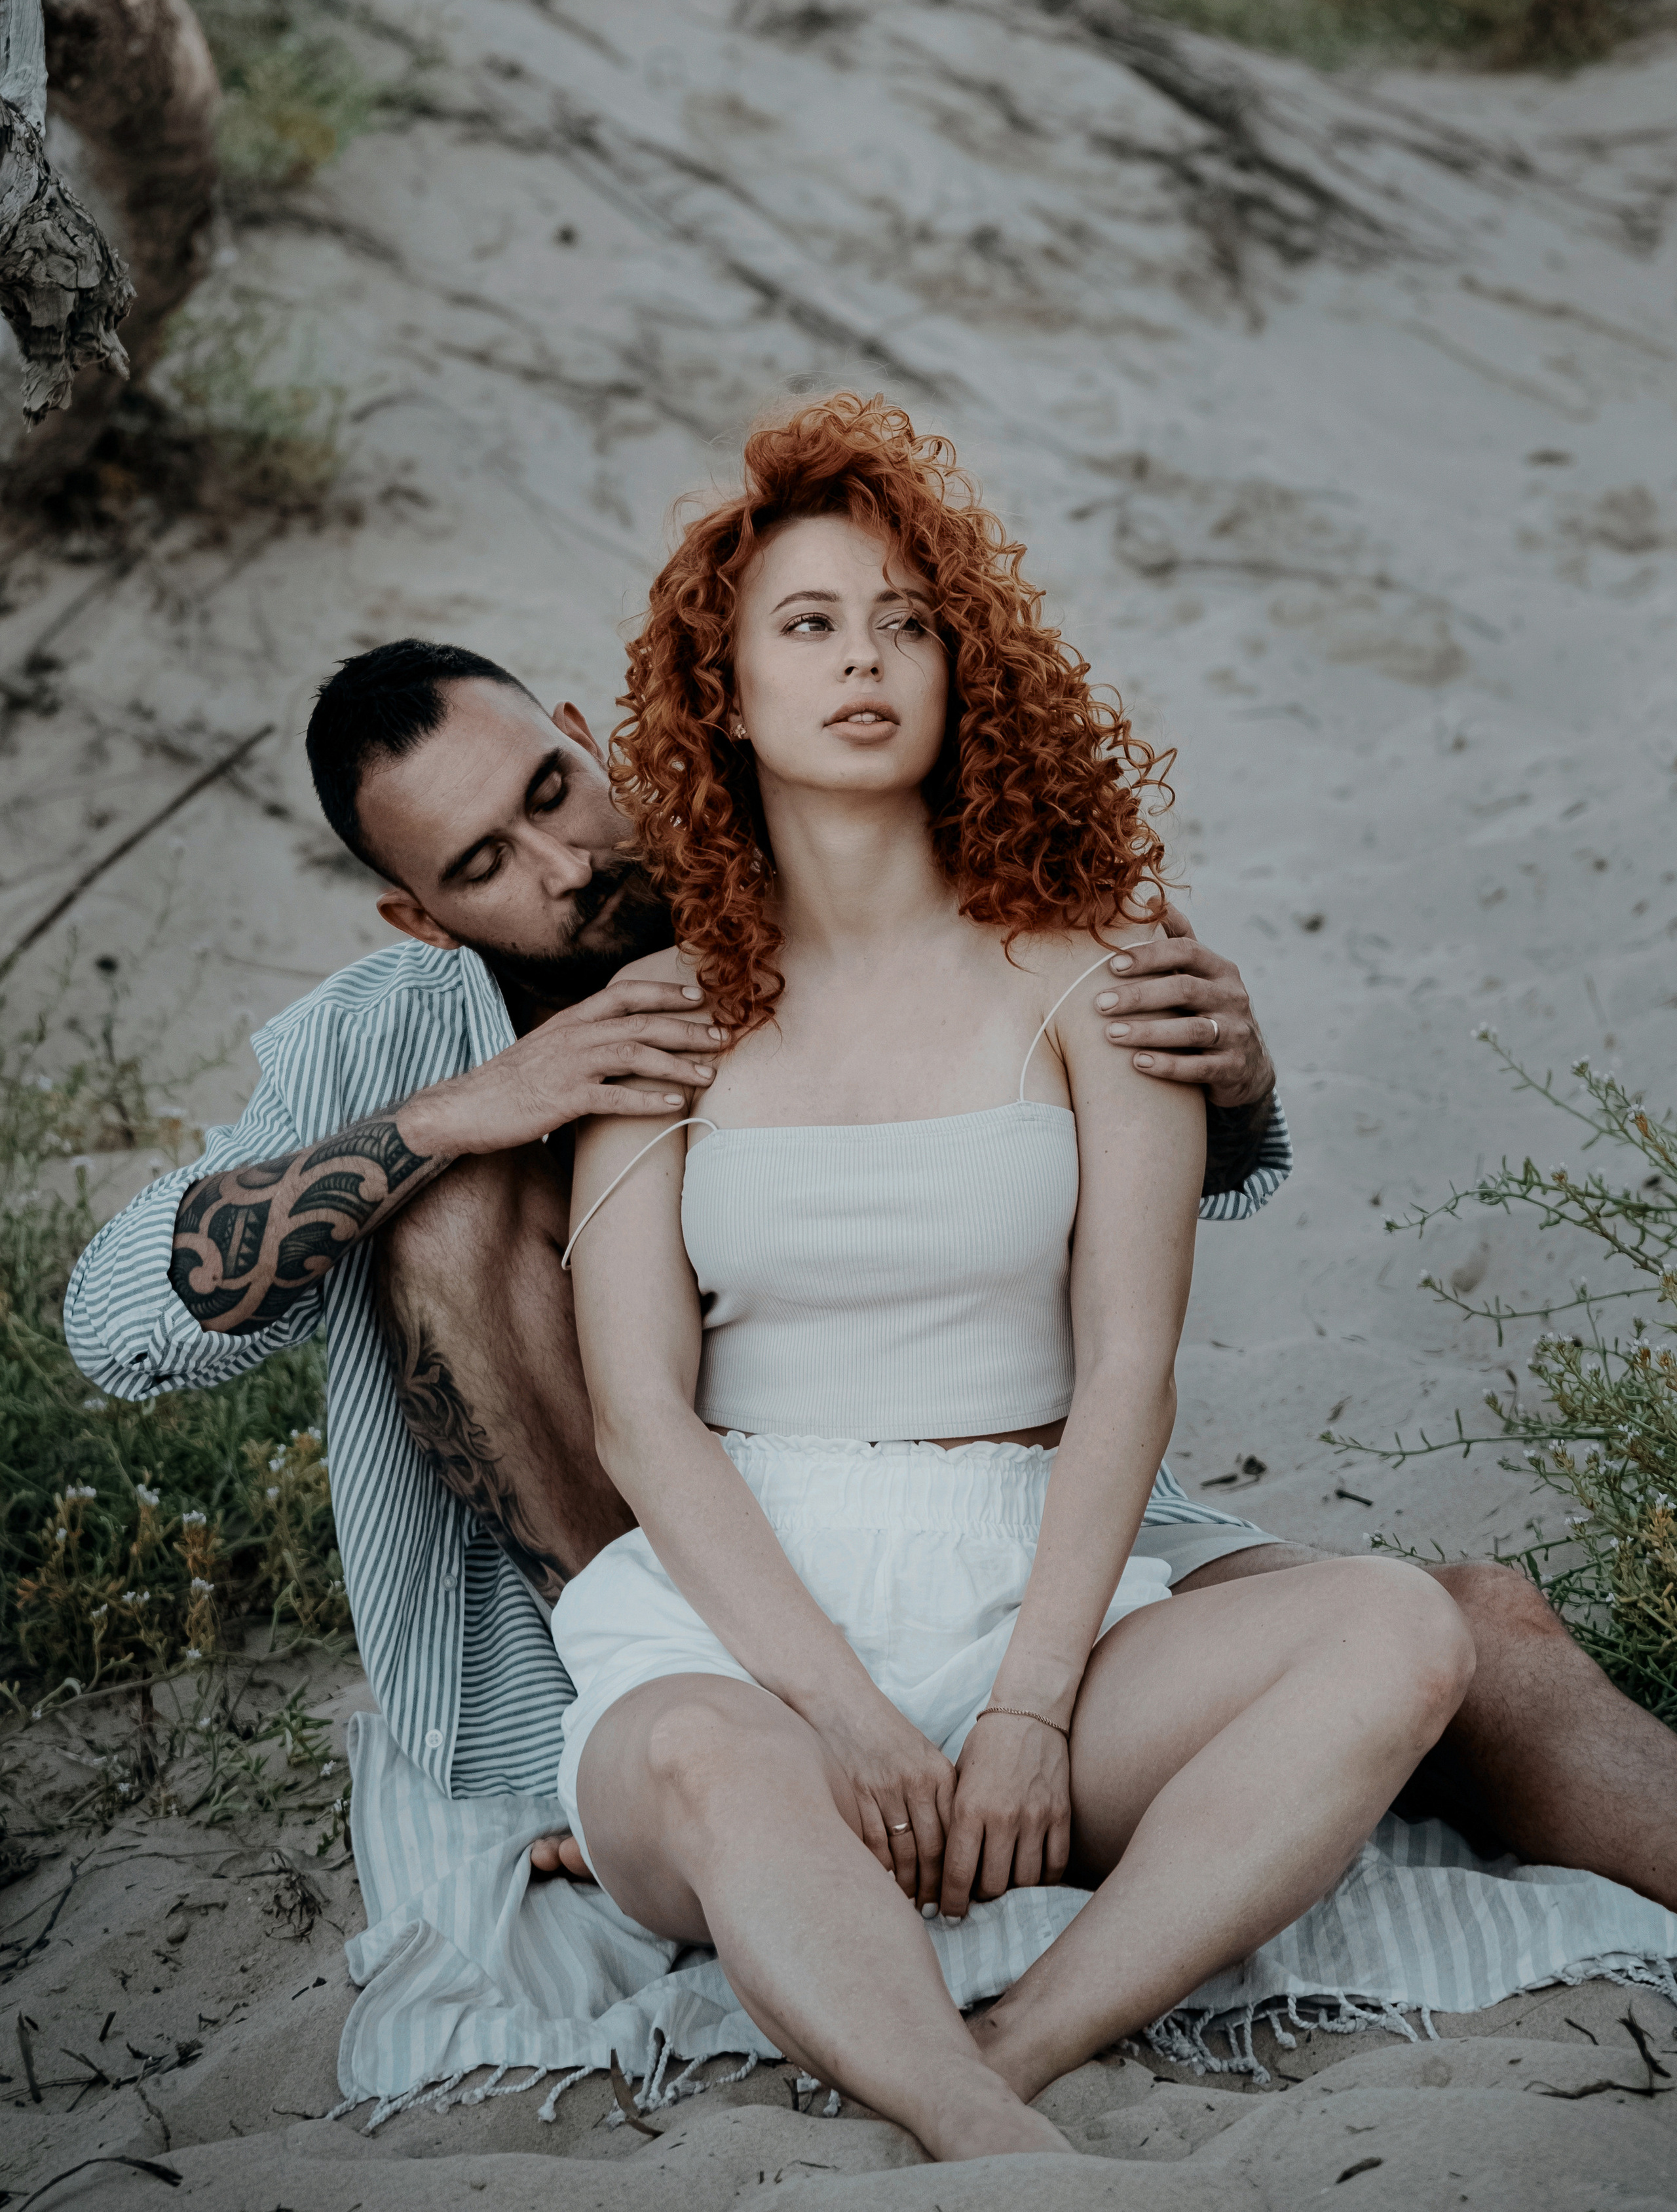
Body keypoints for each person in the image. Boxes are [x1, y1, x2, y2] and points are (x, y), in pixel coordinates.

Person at [63, 607, 1677, 1902]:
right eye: (481, 865)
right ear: (420, 917)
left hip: (995, 1534)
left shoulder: (800, 880)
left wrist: (1229, 1084)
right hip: (671, 1624)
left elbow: (1123, 1186)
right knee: (450, 1211)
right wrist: (475, 1109)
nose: (561, 867)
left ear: (579, 727)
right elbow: (120, 1323)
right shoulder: (392, 1033)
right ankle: (690, 1761)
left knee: (1476, 1625)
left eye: (551, 791)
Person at [550, 392, 1477, 2157]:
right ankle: (1001, 2157)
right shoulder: (672, 1019)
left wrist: (1032, 1705)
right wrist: (844, 1713)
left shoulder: (1093, 966)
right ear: (725, 693)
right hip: (744, 1608)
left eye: (909, 620)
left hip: (1027, 1581)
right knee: (704, 1763)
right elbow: (639, 1415)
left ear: (966, 667)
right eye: (809, 625)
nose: (866, 659)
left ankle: (1027, 2039)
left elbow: (1129, 1363)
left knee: (1398, 1627)